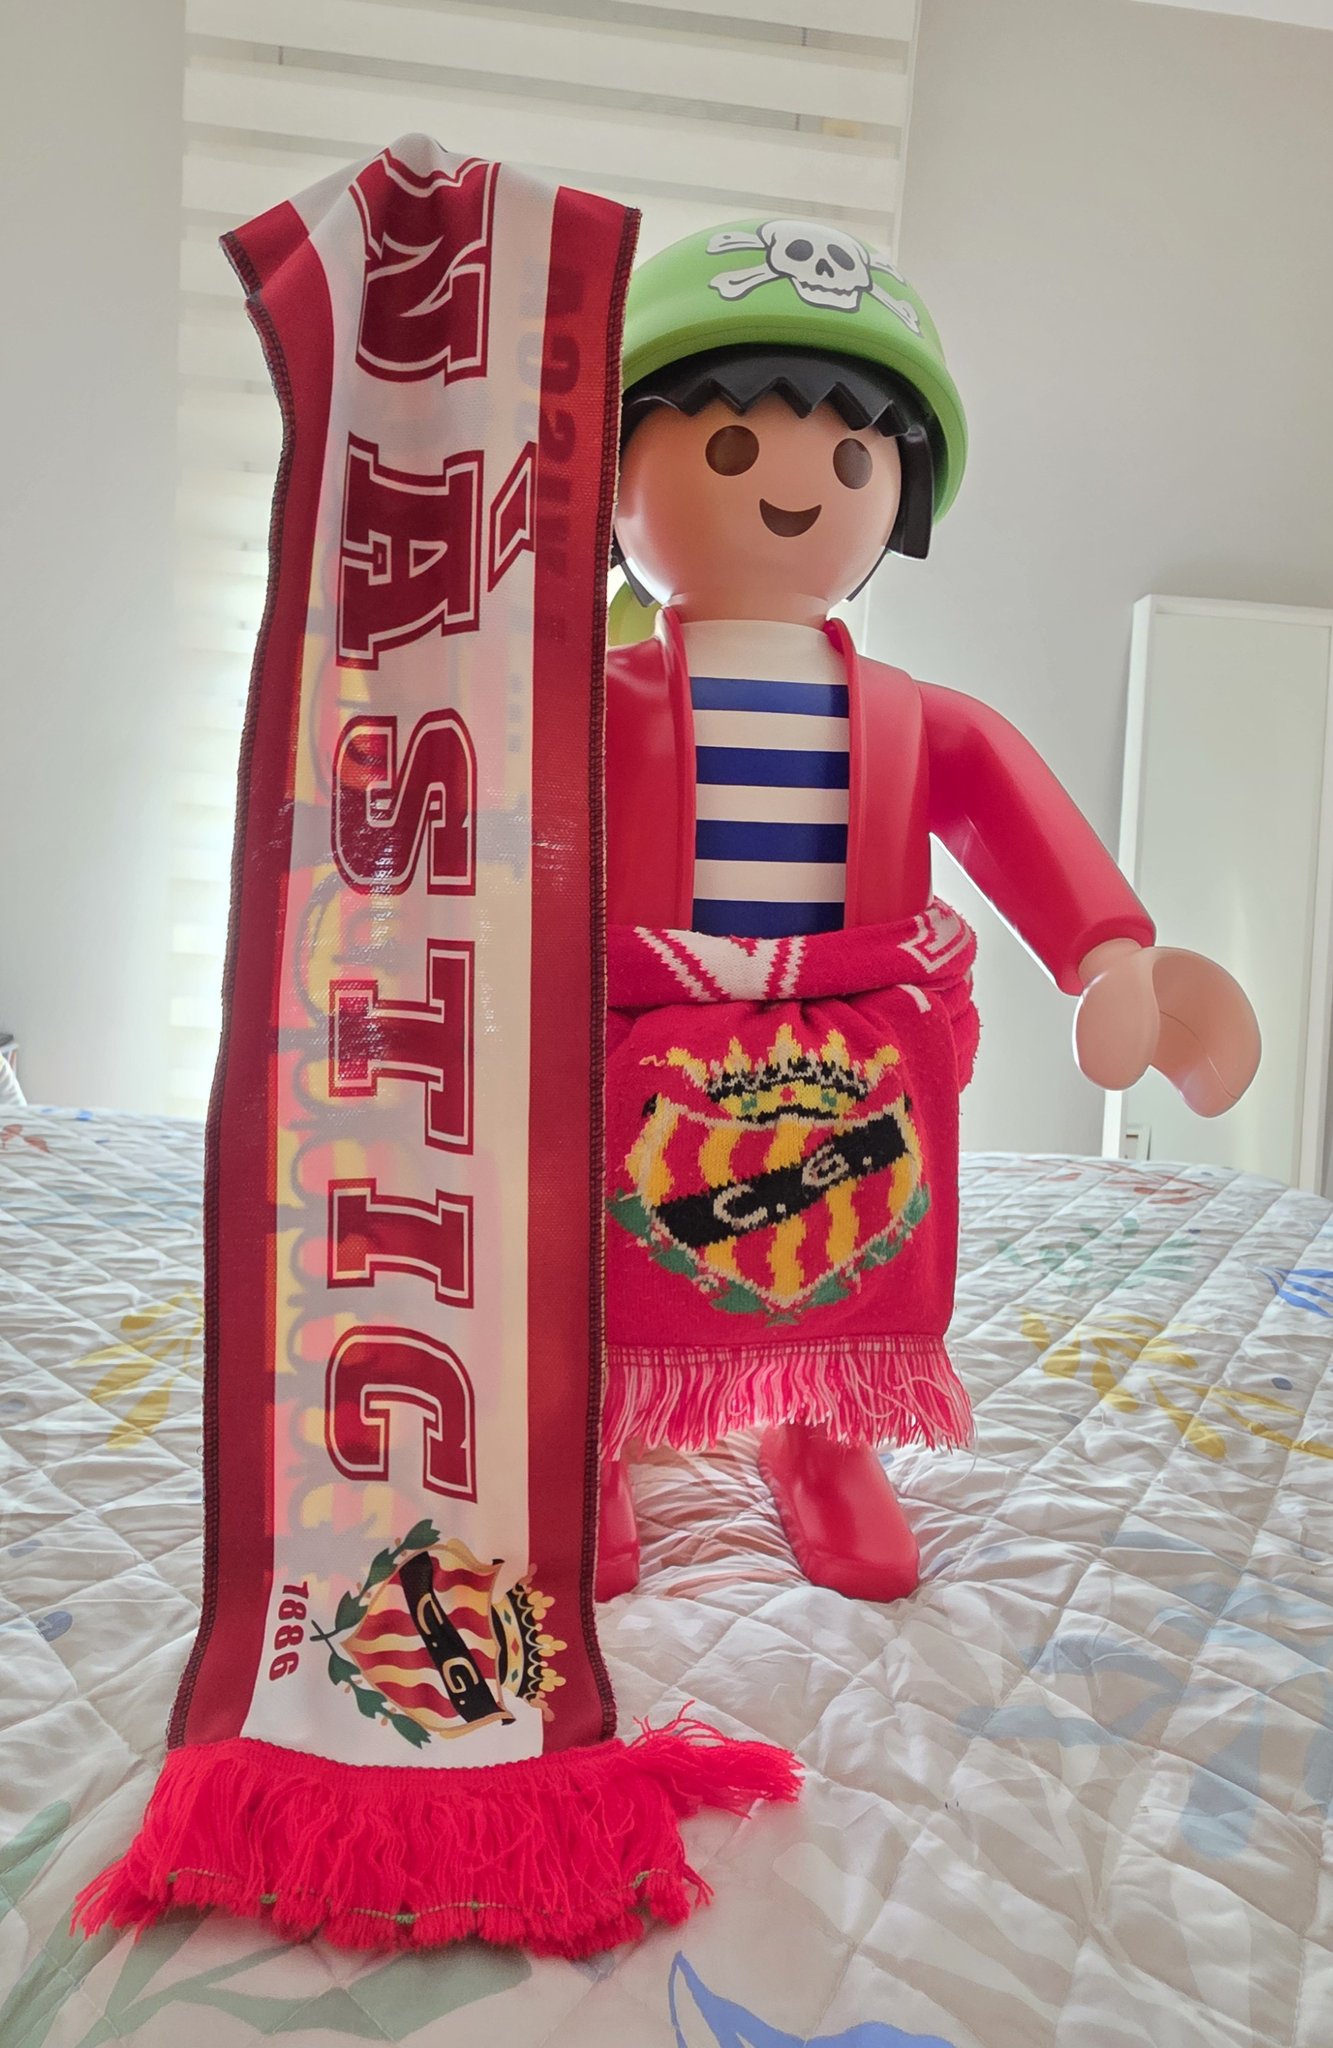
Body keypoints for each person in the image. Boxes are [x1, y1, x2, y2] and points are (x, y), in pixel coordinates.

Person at [597, 218, 1258, 1602]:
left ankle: (824, 1425)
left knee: (852, 1229)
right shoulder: (584, 702)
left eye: (848, 458)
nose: (795, 487)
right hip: (633, 1024)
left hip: (854, 1041)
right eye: (732, 446)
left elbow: (1017, 819)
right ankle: (597, 1429)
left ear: (895, 494)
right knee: (599, 1231)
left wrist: (1109, 953)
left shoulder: (912, 718)